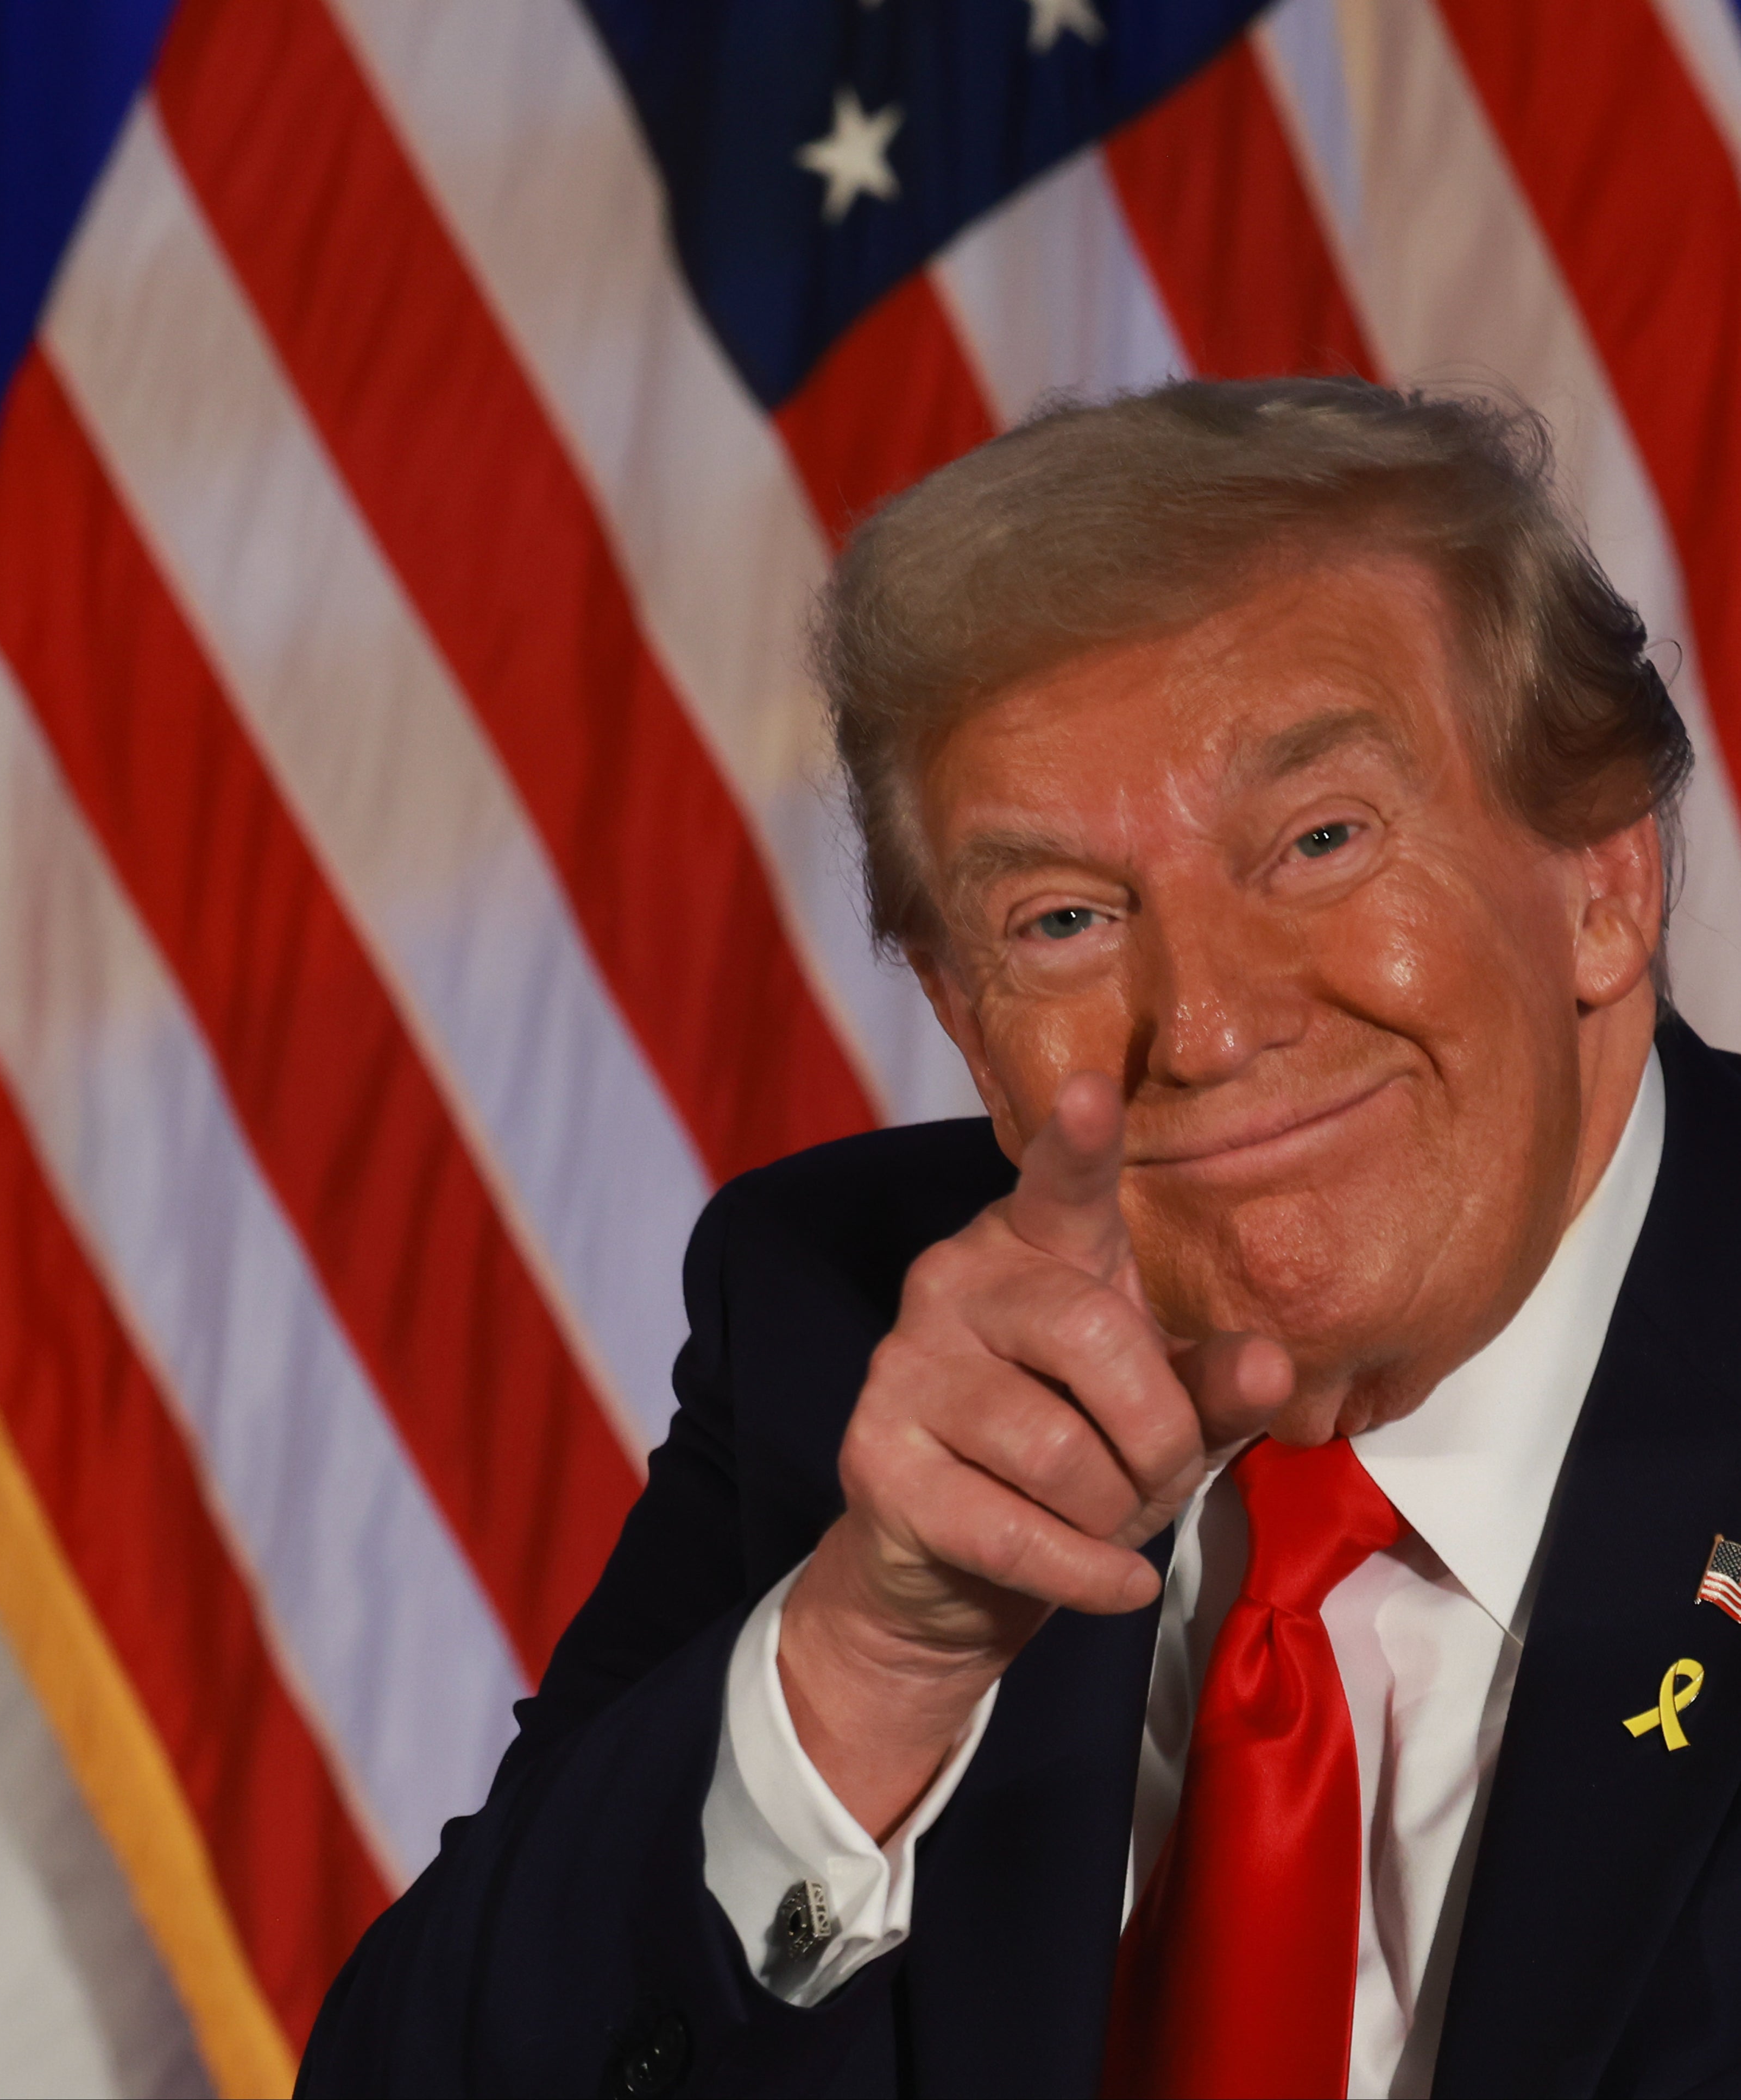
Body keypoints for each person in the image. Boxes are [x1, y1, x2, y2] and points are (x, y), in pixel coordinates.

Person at [294, 378, 1741, 2099]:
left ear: (1604, 879)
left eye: (1320, 839)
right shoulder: (842, 1332)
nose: (1200, 1023)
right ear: (967, 1025)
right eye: (1062, 918)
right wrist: (861, 1668)